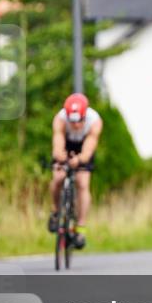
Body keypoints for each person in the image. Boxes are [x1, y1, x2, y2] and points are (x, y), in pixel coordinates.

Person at [48, 93, 102, 249]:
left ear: (85, 116)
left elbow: (89, 147)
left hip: (84, 145)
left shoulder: (95, 121)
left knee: (82, 183)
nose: (76, 125)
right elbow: (58, 141)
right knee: (58, 177)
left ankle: (81, 228)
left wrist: (80, 160)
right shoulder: (60, 119)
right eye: (73, 121)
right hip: (67, 143)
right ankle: (56, 211)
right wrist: (59, 155)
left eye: (79, 121)